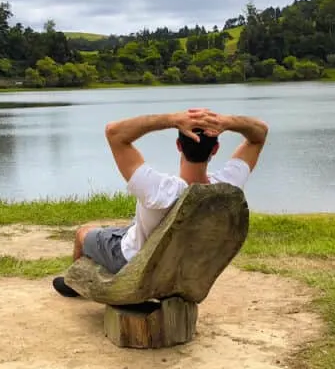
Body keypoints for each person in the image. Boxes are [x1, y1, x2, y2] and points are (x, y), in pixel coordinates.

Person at [52, 107, 268, 297]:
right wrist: (228, 122)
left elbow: (114, 132)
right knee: (127, 228)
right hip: (184, 267)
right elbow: (259, 134)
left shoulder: (158, 189)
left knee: (83, 233)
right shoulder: (226, 187)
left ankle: (74, 283)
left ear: (178, 145)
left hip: (135, 263)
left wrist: (172, 119)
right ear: (215, 149)